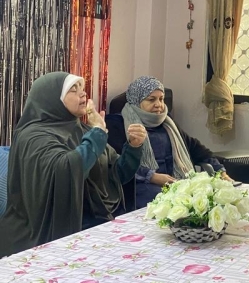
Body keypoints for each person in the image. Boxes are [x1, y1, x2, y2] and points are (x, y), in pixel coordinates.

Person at [0, 72, 145, 257]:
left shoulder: (82, 130)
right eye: (73, 90)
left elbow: (117, 174)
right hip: (48, 233)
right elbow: (64, 172)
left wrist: (133, 147)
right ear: (53, 98)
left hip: (93, 226)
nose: (83, 93)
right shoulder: (33, 137)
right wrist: (98, 133)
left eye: (82, 88)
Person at [107, 76, 226, 209]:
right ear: (136, 100)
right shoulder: (117, 124)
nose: (159, 104)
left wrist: (220, 171)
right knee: (175, 204)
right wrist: (152, 177)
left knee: (211, 199)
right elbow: (115, 163)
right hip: (141, 187)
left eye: (161, 99)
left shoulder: (168, 123)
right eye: (151, 99)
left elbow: (197, 149)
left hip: (176, 183)